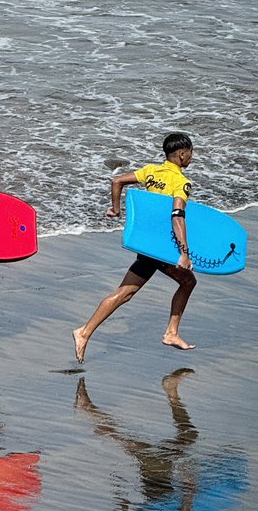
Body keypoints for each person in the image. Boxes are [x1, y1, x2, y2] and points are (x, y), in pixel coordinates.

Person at [73, 132, 197, 362]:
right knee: (188, 281)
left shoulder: (151, 170)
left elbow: (117, 180)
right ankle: (170, 332)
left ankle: (84, 332)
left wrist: (116, 209)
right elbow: (178, 216)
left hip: (146, 242)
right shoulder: (181, 183)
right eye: (190, 153)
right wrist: (184, 252)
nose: (191, 157)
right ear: (182, 154)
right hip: (160, 247)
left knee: (126, 292)